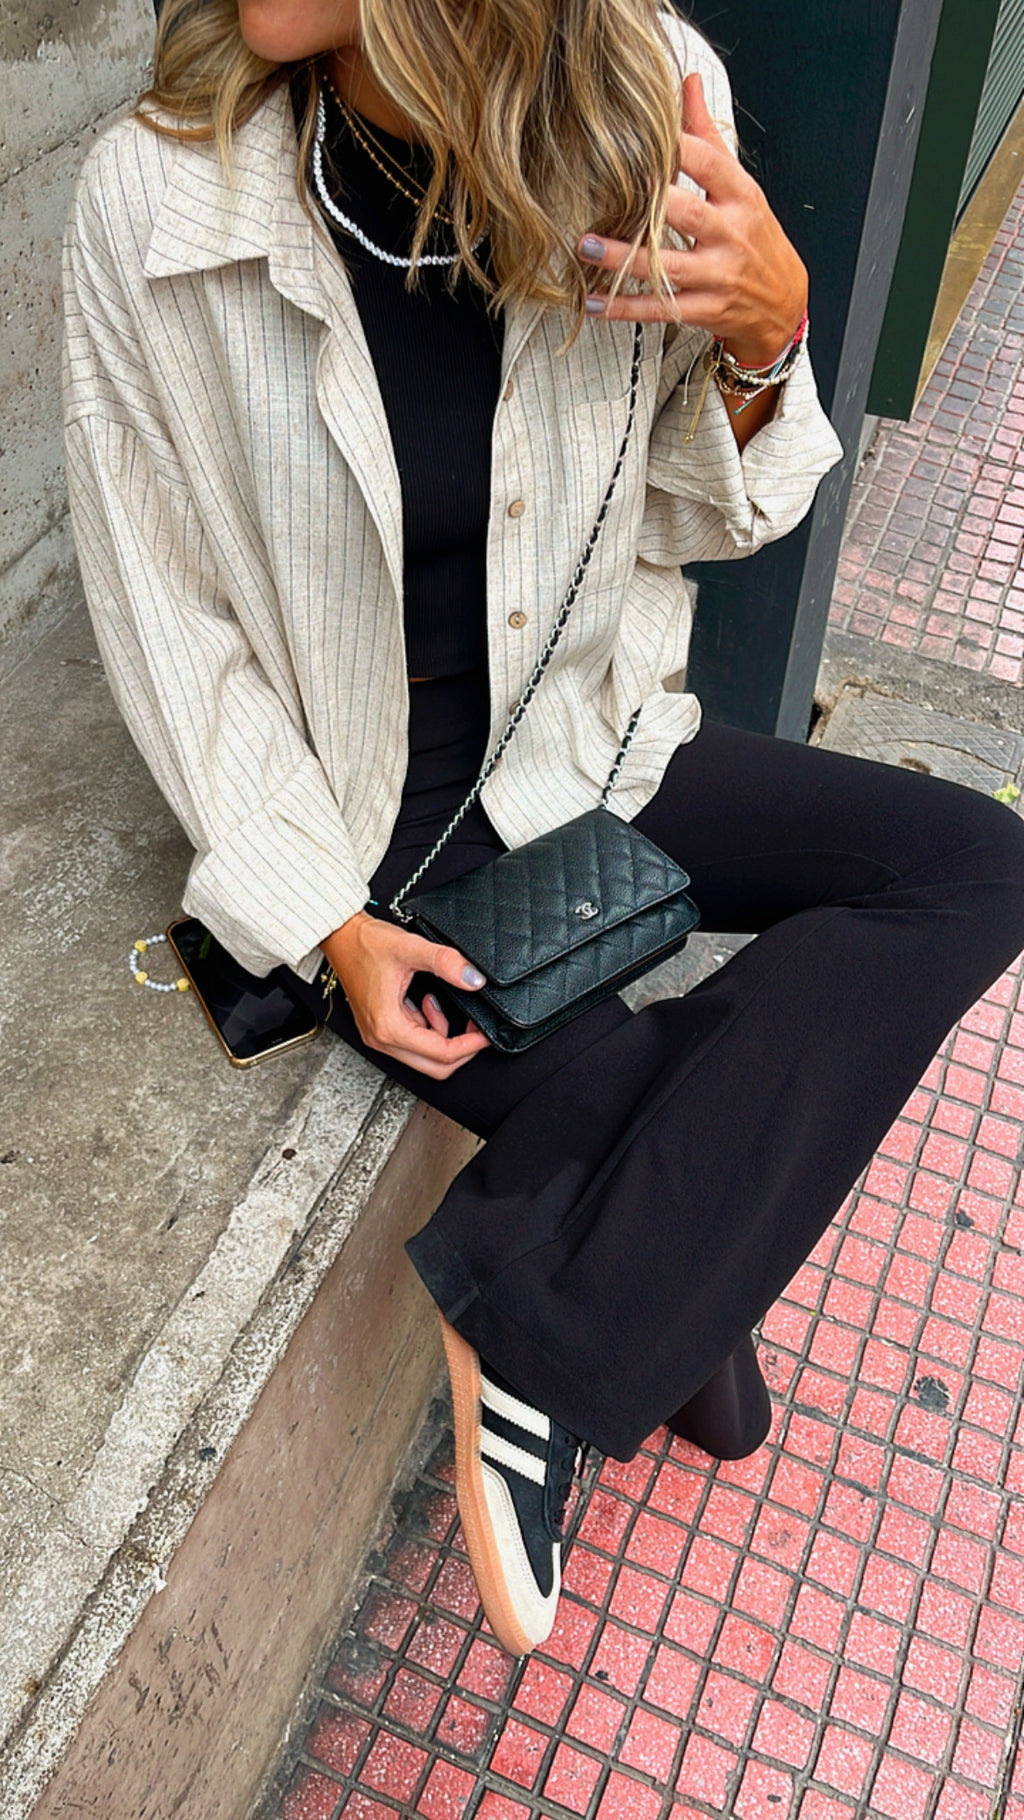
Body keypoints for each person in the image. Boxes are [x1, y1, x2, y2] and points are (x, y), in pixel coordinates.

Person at [63, 0, 1024, 1657]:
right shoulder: (156, 198)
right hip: (377, 828)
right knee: (710, 1363)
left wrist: (766, 351)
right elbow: (171, 630)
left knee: (972, 864)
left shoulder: (653, 100)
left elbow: (689, 514)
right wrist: (326, 924)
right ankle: (623, 1309)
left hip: (589, 741)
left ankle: (554, 1327)